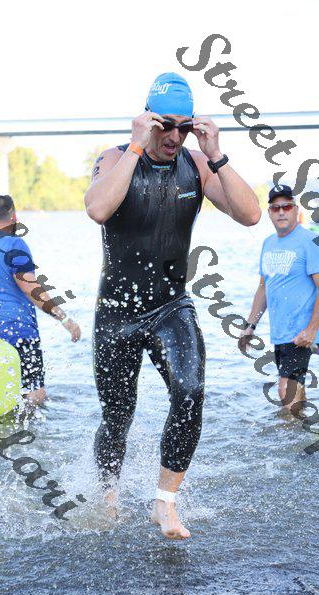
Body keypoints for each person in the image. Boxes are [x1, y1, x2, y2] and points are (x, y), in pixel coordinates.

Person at [84, 72, 260, 540]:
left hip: (170, 306)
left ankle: (164, 502)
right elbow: (98, 209)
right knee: (117, 415)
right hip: (117, 310)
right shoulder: (115, 157)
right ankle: (107, 496)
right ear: (147, 120)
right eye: (165, 125)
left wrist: (217, 153)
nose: (174, 136)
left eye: (183, 126)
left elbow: (250, 214)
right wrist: (136, 146)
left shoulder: (197, 165)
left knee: (190, 390)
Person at [0, 194, 81, 406]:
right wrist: (65, 319)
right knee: (35, 396)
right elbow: (30, 288)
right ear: (13, 216)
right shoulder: (15, 245)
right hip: (17, 334)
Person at [239, 185, 319, 415]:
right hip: (280, 333)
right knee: (294, 392)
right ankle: (303, 431)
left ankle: (289, 434)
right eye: (276, 208)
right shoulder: (268, 243)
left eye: (287, 207)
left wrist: (312, 330)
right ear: (269, 213)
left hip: (301, 334)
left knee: (285, 391)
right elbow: (264, 288)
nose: (281, 212)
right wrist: (250, 325)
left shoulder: (312, 241)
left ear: (296, 210)